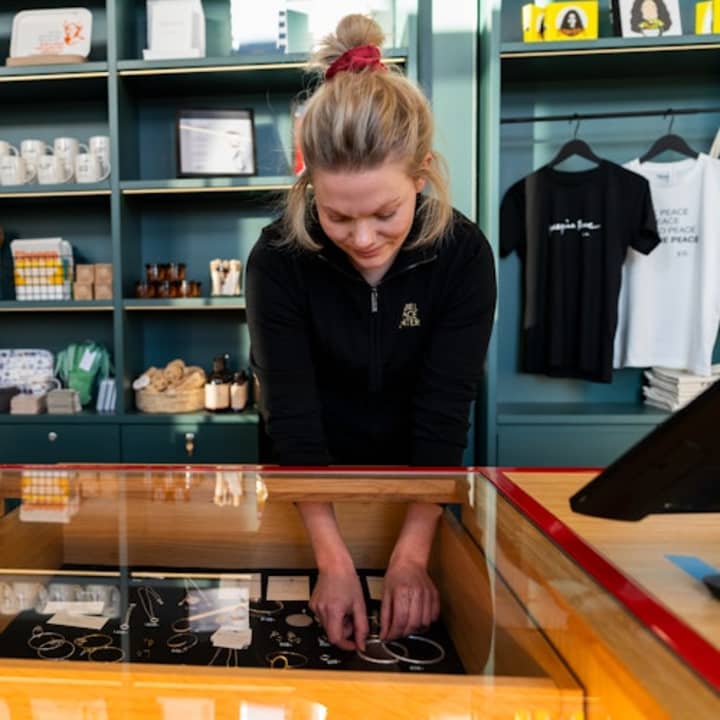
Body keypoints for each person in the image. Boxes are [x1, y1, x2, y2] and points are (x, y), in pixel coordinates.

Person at [246, 14, 496, 652]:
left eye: (385, 213)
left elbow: (445, 412)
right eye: (337, 216)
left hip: (416, 491)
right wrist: (332, 561)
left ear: (422, 175)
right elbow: (291, 418)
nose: (362, 238)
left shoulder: (463, 256)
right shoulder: (277, 260)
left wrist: (411, 555)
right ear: (310, 185)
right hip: (308, 494)